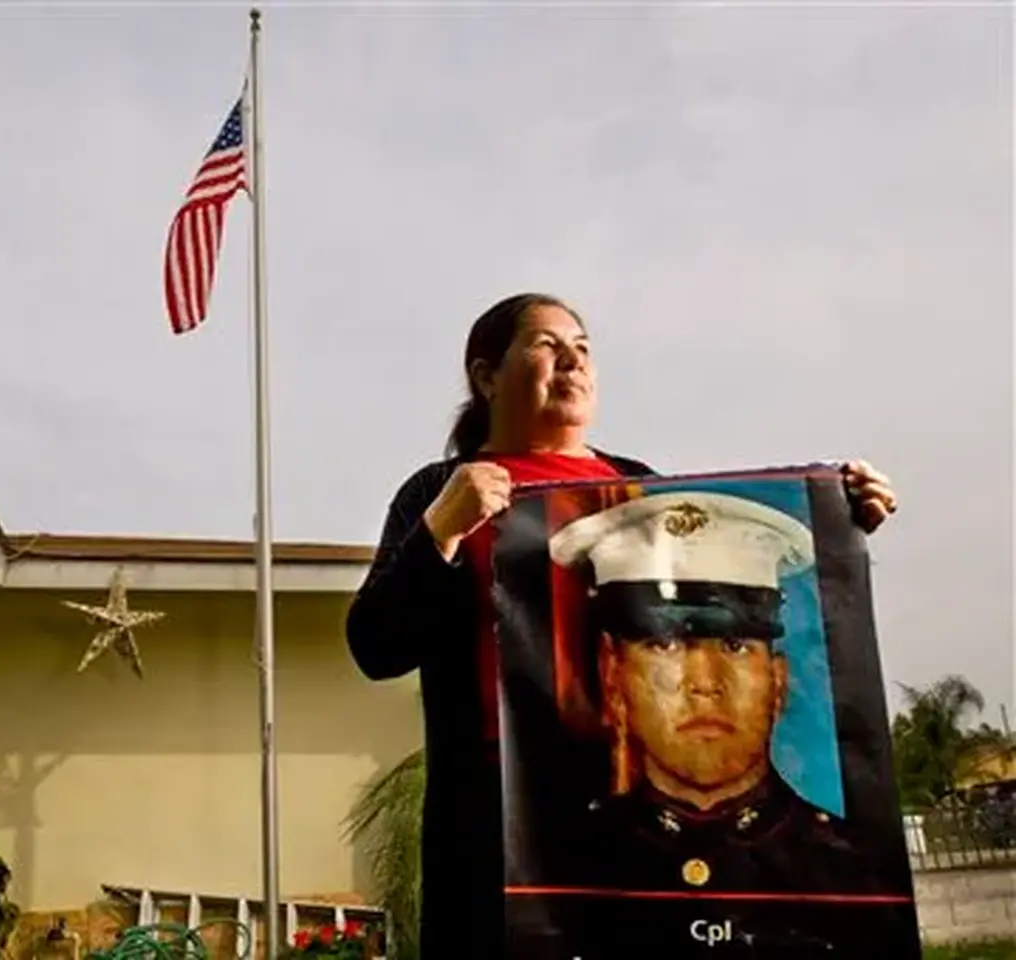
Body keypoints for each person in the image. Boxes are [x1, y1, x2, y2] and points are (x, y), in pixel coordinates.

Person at [344, 292, 898, 958]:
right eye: (546, 345)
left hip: (640, 843)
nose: (572, 361)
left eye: (582, 347)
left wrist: (840, 517)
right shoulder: (439, 489)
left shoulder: (642, 489)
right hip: (495, 834)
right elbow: (375, 645)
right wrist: (443, 529)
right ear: (486, 376)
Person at [543, 490, 879, 896]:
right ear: (613, 677)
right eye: (664, 645)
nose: (704, 683)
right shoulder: (561, 869)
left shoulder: (853, 867)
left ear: (778, 679)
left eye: (736, 645)